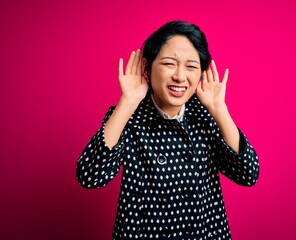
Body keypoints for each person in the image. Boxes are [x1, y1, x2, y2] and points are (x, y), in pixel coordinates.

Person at [76, 20, 259, 240]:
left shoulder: (206, 115)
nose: (180, 77)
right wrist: (127, 102)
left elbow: (248, 174)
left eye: (191, 66)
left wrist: (220, 109)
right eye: (169, 64)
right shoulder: (128, 115)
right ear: (146, 67)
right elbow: (90, 176)